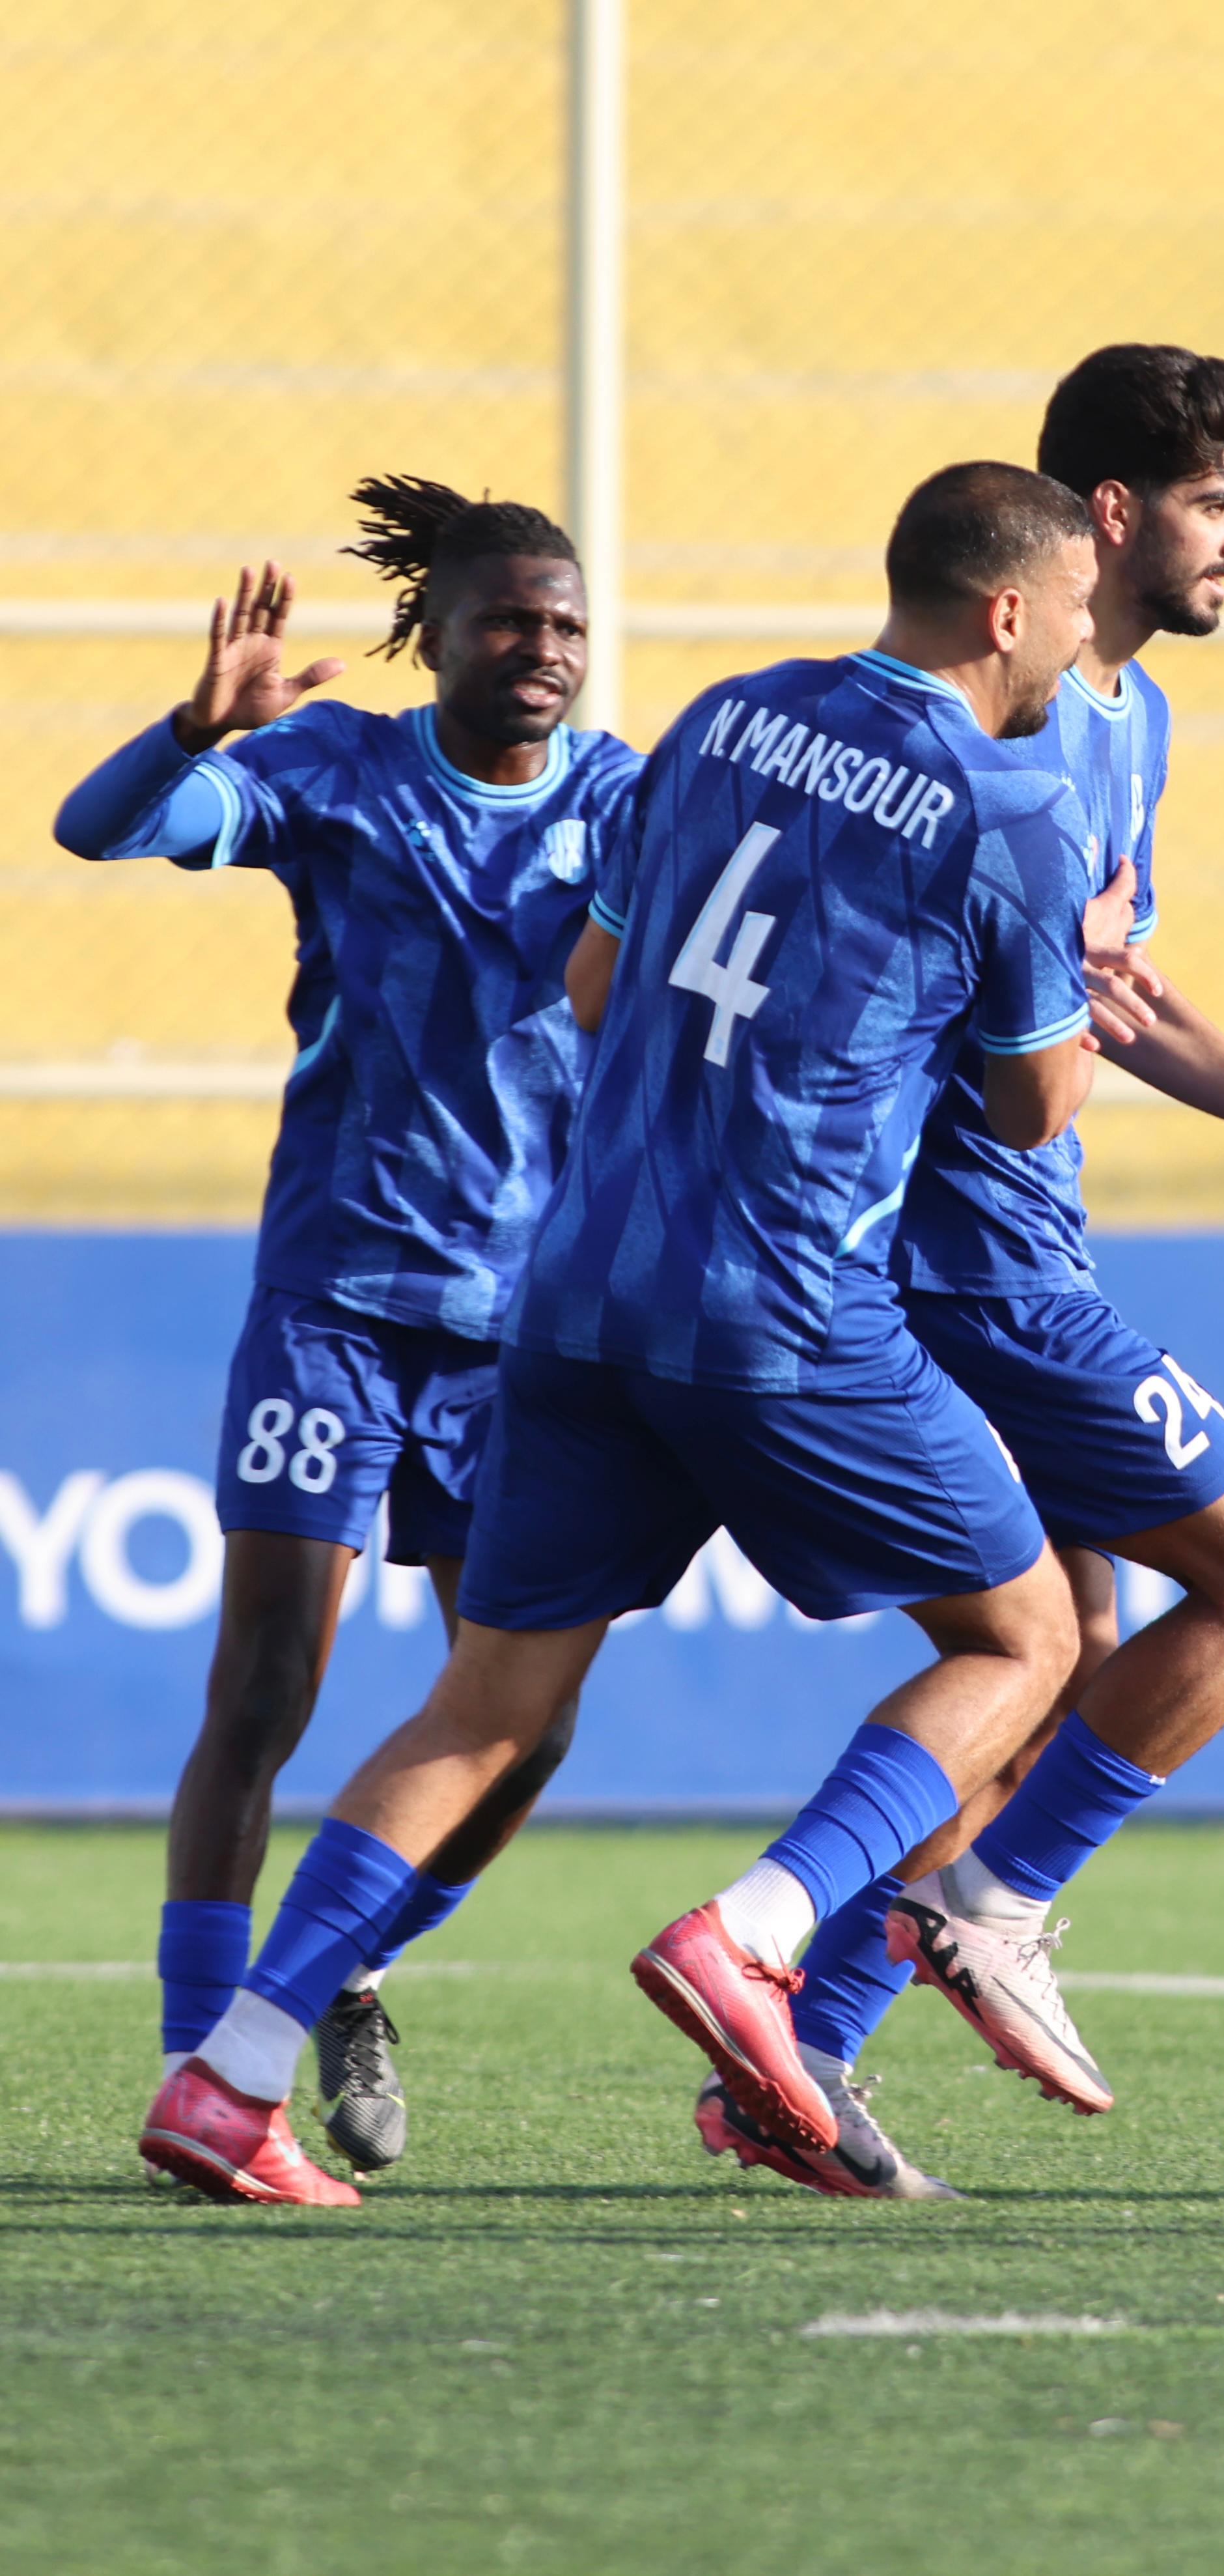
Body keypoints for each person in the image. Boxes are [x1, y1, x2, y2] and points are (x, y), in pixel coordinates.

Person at [135, 459, 1113, 2207]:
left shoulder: (723, 723)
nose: (1087, 639)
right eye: (1077, 608)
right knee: (1031, 1630)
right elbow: (1036, 1110)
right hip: (788, 1297)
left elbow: (593, 986)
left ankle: (233, 2071)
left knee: (492, 1694)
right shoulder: (1013, 802)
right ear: (1010, 611)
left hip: (577, 1291)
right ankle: (761, 1931)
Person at [663, 343, 1224, 2200]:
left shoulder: (1126, 719)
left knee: (1059, 1656)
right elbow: (1014, 1023)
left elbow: (1101, 998)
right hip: (971, 1256)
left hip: (995, 1236)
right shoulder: (1013, 707)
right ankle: (993, 1905)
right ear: (1110, 519)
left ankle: (798, 2051)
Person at [53, 484, 641, 2175]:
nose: (544, 650)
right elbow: (98, 830)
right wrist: (192, 731)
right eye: (511, 621)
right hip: (334, 1302)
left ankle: (347, 1961)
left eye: (567, 625)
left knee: (529, 1722)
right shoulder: (340, 774)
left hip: (524, 1332)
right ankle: (198, 2066)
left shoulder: (629, 800)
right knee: (264, 1689)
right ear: (436, 634)